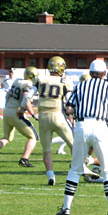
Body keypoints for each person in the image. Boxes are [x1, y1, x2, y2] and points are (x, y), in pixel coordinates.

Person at [55, 59, 108, 215]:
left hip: (82, 126)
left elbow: (69, 108)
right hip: (100, 126)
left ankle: (66, 209)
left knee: (75, 169)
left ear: (90, 72)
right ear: (104, 74)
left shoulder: (80, 86)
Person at [31, 56, 75, 186]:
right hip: (58, 115)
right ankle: (76, 169)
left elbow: (28, 95)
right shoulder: (64, 81)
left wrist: (22, 108)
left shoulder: (40, 79)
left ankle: (50, 175)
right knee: (73, 143)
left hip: (43, 116)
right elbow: (69, 101)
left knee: (47, 149)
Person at [0, 67, 39, 168]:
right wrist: (33, 114)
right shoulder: (28, 84)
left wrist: (7, 106)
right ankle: (24, 159)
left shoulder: (17, 81)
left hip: (7, 111)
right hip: (16, 113)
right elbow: (26, 97)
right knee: (33, 137)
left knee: (7, 137)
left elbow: (9, 94)